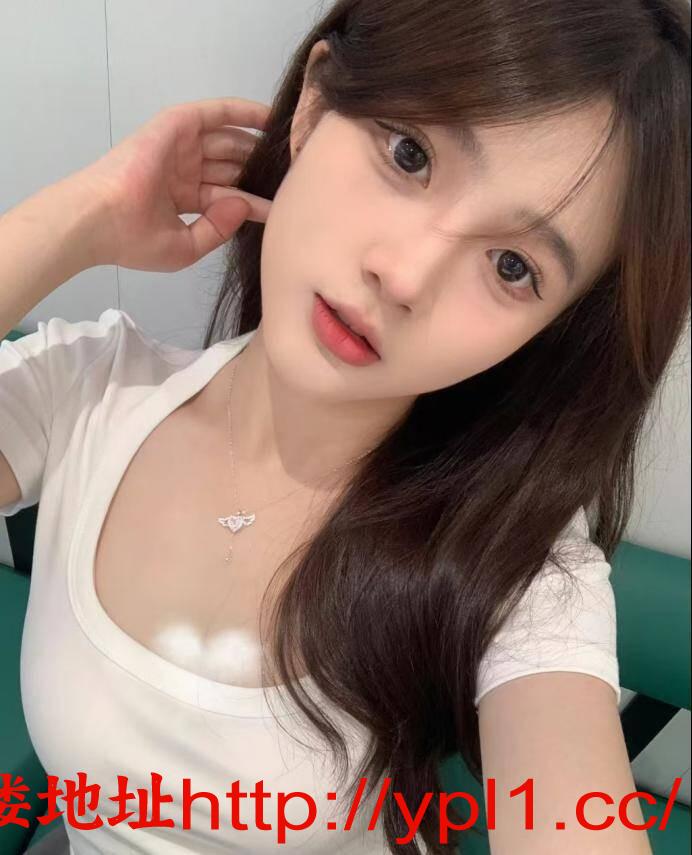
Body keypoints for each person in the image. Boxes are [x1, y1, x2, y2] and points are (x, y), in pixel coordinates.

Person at [1, 0, 689, 852]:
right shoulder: (87, 393)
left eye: (513, 266)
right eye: (411, 154)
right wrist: (80, 216)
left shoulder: (516, 564)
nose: (405, 275)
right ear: (317, 104)